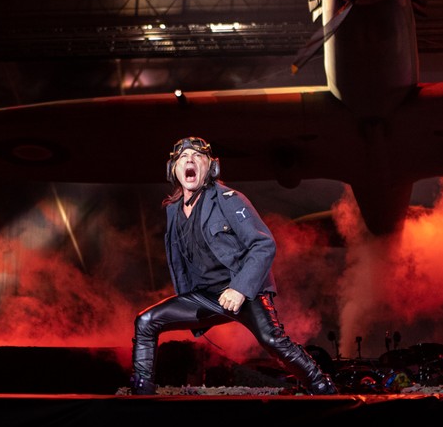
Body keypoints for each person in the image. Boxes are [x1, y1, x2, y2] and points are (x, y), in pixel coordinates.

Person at [130, 136, 338, 395]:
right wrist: (188, 296)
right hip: (206, 297)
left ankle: (323, 387)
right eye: (183, 158)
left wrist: (239, 289)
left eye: (197, 156)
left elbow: (263, 245)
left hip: (243, 292)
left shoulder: (229, 199)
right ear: (173, 170)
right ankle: (139, 394)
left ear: (211, 167)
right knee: (146, 321)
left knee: (273, 341)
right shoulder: (173, 210)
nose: (190, 161)